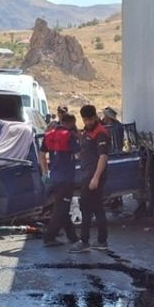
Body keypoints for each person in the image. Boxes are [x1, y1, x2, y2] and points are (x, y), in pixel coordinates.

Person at [71, 105, 111, 253]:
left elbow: (103, 156)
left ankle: (85, 240)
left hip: (94, 176)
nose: (87, 122)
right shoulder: (88, 131)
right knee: (97, 208)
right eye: (85, 120)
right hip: (87, 174)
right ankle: (101, 240)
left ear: (95, 117)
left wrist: (96, 178)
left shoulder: (100, 133)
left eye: (89, 119)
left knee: (87, 208)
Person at [40, 112, 80, 247]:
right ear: (70, 123)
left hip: (54, 178)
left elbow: (41, 155)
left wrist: (45, 172)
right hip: (67, 178)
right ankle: (49, 237)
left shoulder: (49, 135)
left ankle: (73, 237)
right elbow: (79, 154)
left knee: (62, 207)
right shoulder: (69, 136)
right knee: (61, 210)